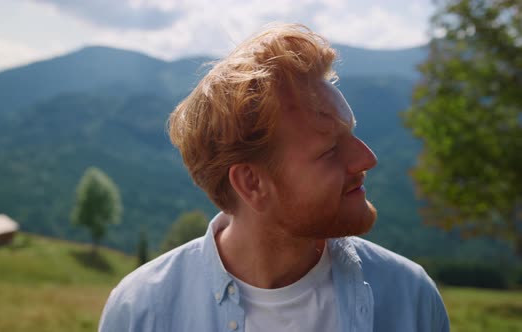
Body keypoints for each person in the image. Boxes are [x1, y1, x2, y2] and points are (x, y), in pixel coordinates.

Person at [99, 23, 449, 332]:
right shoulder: (141, 310)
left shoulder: (410, 296)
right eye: (329, 150)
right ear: (252, 184)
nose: (367, 159)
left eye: (352, 135)